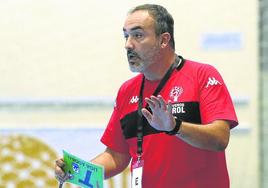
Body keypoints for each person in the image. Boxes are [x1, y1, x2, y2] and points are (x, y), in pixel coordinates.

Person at [55, 4, 238, 188]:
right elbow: (116, 156)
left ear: (164, 40)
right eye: (126, 36)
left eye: (138, 35)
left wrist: (175, 127)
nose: (128, 44)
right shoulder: (127, 91)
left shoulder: (202, 75)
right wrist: (74, 171)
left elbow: (220, 139)